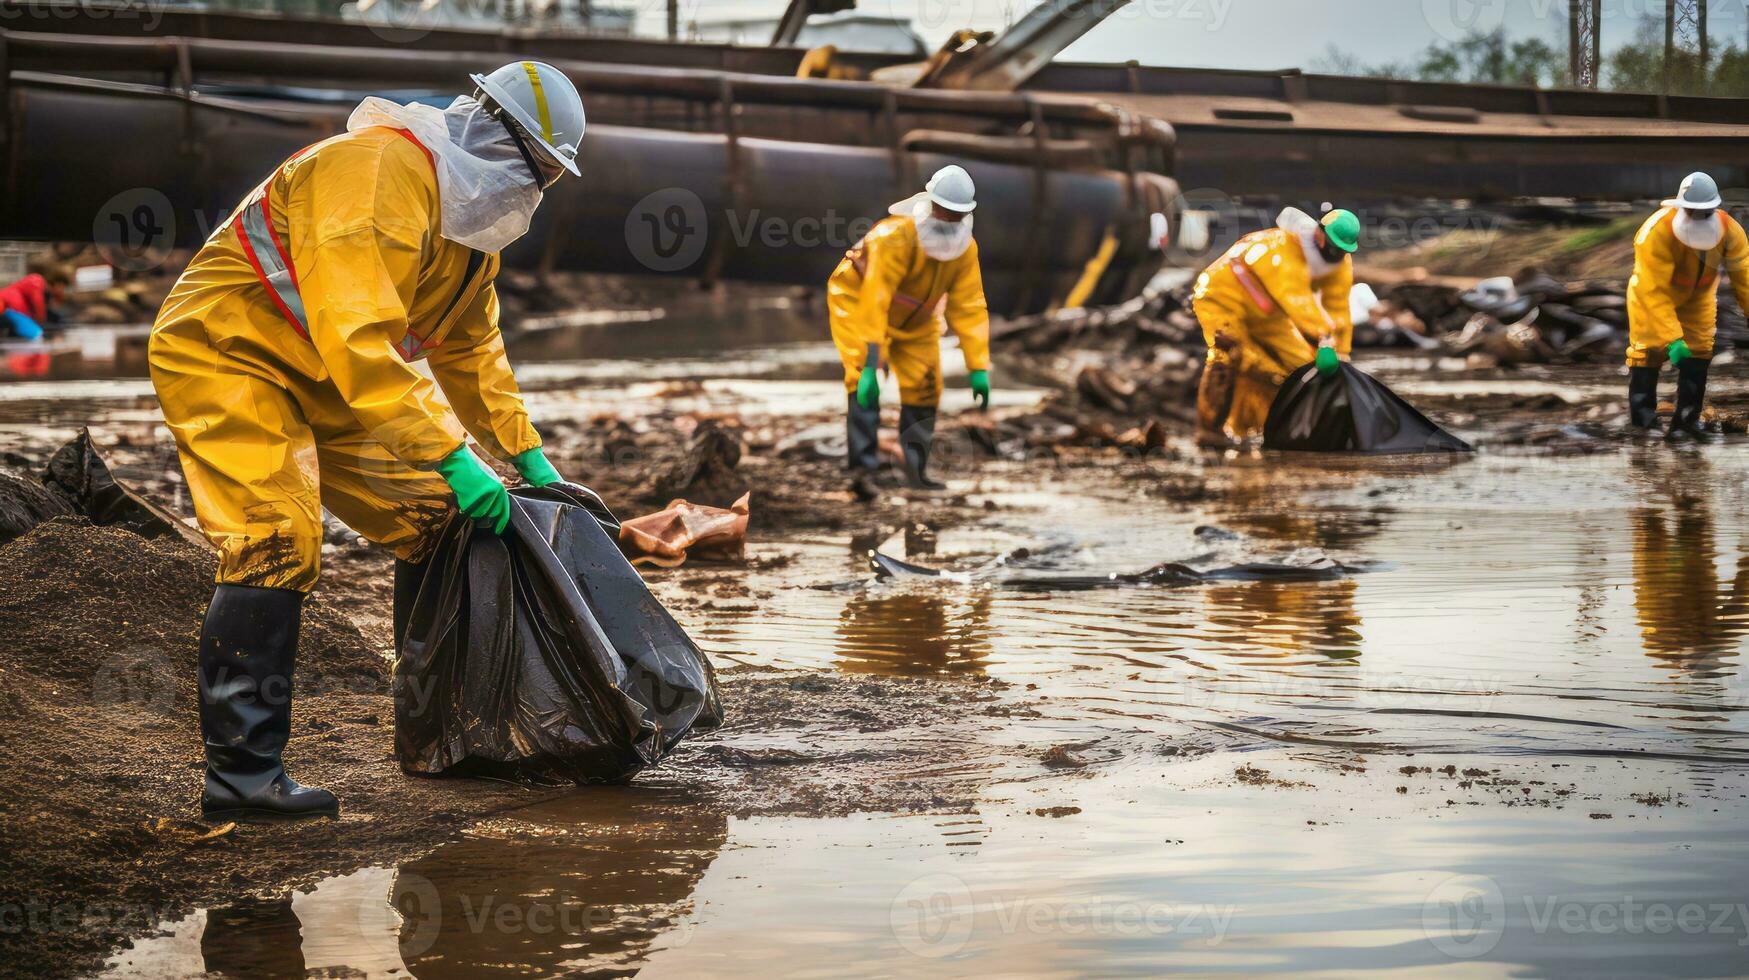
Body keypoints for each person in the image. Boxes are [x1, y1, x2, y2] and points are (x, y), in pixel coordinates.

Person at [148, 62, 585, 820]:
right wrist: (452, 454)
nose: (536, 190)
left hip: (327, 372)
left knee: (436, 521)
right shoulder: (373, 170)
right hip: (230, 351)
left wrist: (525, 455)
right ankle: (243, 779)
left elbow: (468, 349)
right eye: (537, 169)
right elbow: (360, 336)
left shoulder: (465, 218)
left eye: (549, 177)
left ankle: (436, 731)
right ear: (494, 136)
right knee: (276, 536)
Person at [828, 165, 992, 496]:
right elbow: (876, 298)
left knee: (925, 386)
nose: (949, 220)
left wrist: (978, 366)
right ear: (931, 203)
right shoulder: (894, 237)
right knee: (863, 382)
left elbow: (969, 306)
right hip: (859, 302)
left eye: (957, 214)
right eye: (945, 211)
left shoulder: (965, 250)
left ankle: (915, 470)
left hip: (918, 318)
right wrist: (873, 363)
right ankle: (863, 470)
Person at [1192, 208, 1359, 448]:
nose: (1337, 253)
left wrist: (1341, 353)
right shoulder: (1283, 247)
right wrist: (1323, 338)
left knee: (1298, 364)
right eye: (1334, 246)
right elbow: (1295, 299)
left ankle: (1252, 428)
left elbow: (1338, 306)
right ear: (1320, 234)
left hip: (1267, 311)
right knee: (1228, 353)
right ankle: (1209, 430)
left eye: (1343, 250)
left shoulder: (1340, 263)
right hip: (1224, 296)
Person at [1625, 172, 1749, 441]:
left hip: (1698, 298)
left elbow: (1745, 279)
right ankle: (1643, 422)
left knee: (1699, 351)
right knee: (1647, 350)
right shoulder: (1656, 232)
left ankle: (1686, 422)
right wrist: (1672, 340)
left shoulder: (1730, 232)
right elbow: (1653, 290)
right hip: (1653, 297)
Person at [0, 266, 67, 340]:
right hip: (8, 304)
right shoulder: (37, 280)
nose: (62, 291)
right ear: (59, 284)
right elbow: (38, 302)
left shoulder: (44, 291)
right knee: (35, 334)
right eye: (63, 287)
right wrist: (41, 321)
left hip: (11, 307)